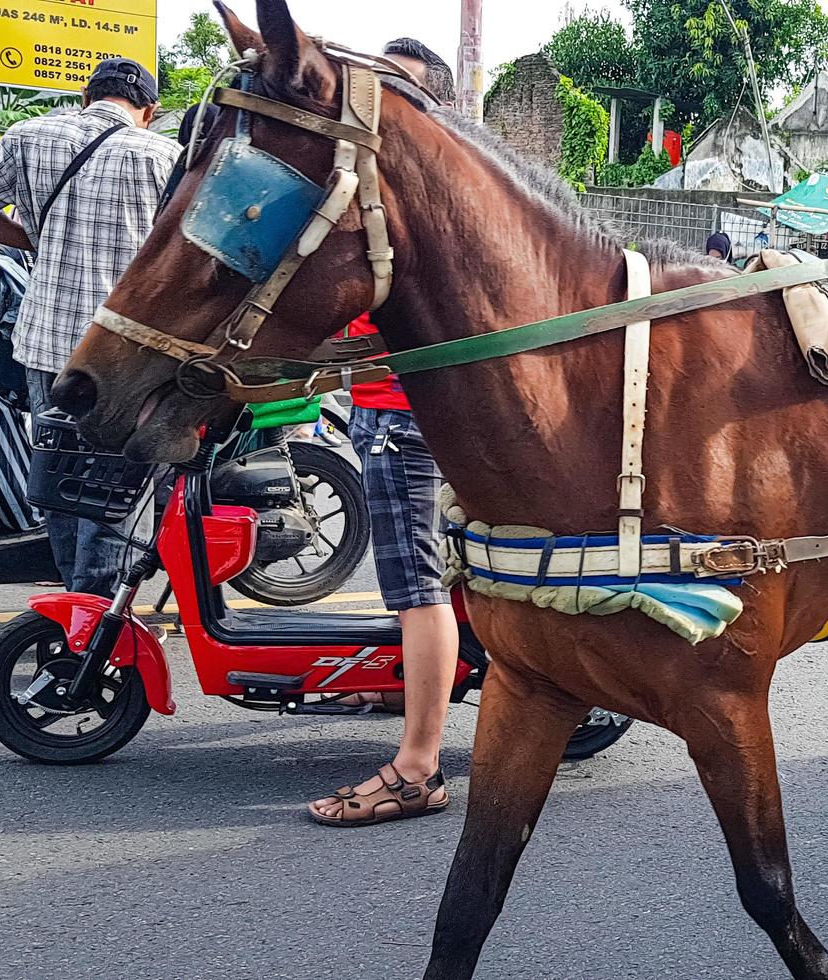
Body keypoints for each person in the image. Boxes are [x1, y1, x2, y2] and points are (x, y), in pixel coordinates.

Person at [0, 58, 179, 595]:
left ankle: (74, 604)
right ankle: (98, 618)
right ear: (149, 109)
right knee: (115, 491)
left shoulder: (30, 135)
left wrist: (36, 240)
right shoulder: (164, 155)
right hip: (128, 356)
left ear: (86, 94)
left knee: (58, 480)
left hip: (46, 343)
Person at [307, 39, 461, 828]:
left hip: (403, 418)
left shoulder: (425, 205)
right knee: (422, 580)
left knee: (414, 587)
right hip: (387, 409)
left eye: (396, 89)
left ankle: (416, 767)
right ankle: (408, 693)